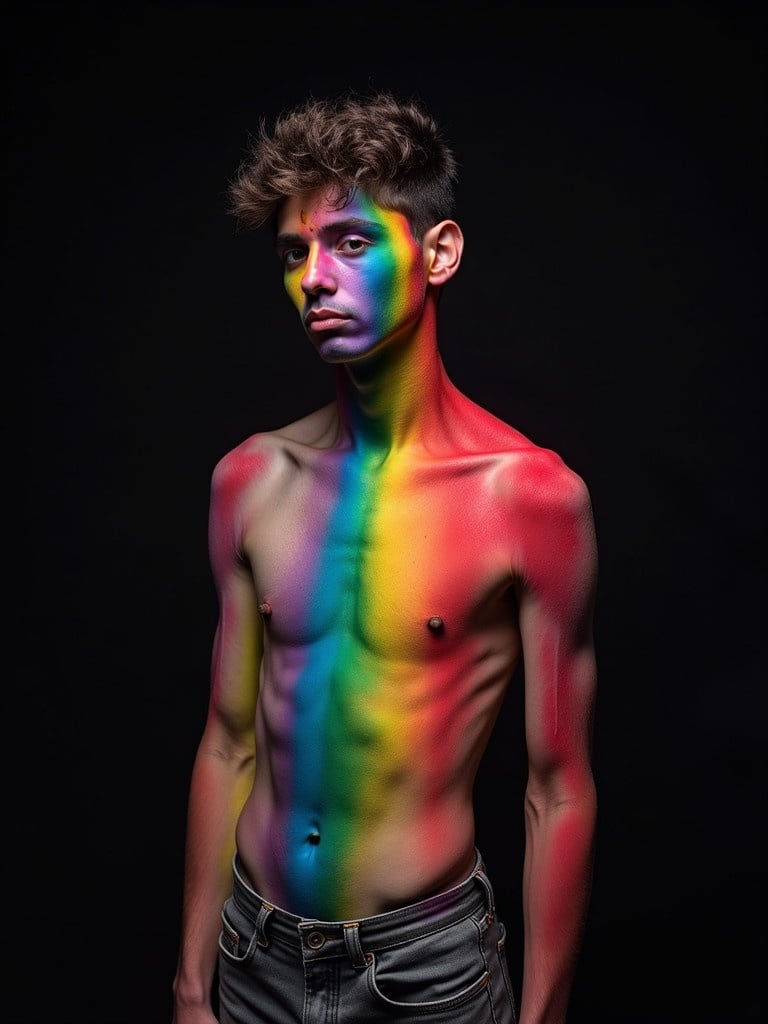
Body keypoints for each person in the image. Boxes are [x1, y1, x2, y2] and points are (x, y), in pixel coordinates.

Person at [172, 91, 598, 1024]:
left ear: (438, 252)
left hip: (427, 974)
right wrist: (192, 983)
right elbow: (227, 739)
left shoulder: (529, 499)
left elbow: (556, 788)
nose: (315, 279)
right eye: (295, 252)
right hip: (252, 954)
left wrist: (543, 1016)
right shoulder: (250, 480)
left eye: (352, 243)